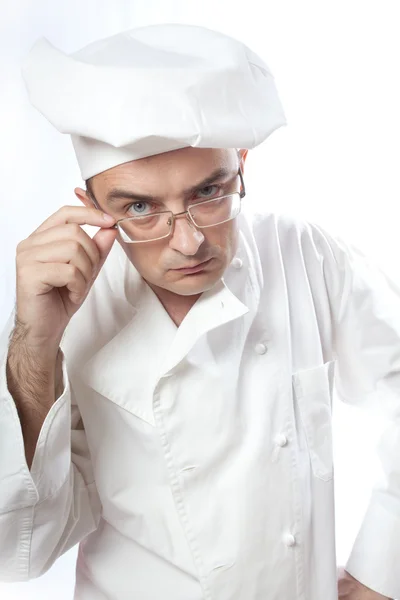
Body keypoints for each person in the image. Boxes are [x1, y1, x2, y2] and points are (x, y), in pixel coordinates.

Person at [0, 24, 399, 600]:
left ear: (242, 167)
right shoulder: (62, 308)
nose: (188, 242)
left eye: (209, 192)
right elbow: (20, 550)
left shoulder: (306, 256)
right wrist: (32, 348)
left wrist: (381, 574)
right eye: (140, 207)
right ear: (90, 206)